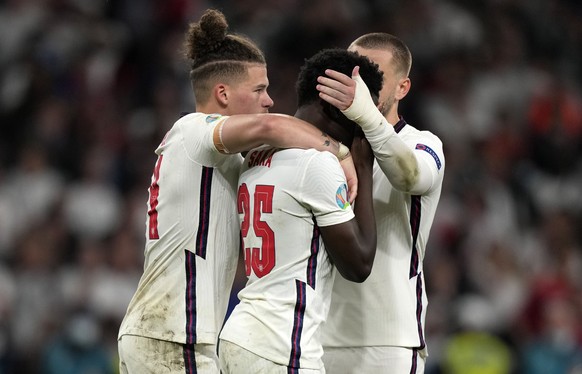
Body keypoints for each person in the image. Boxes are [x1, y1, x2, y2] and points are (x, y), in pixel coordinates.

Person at [117, 10, 355, 374]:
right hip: (172, 335)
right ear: (223, 93)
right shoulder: (192, 130)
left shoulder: (224, 158)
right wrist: (341, 151)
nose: (269, 100)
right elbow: (269, 125)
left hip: (172, 335)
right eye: (259, 89)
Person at [218, 48, 383, 373]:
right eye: (364, 110)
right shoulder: (319, 163)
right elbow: (359, 264)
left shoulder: (256, 154)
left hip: (243, 331)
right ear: (336, 108)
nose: (369, 124)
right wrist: (363, 165)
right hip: (282, 342)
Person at [316, 33, 445, 373]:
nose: (360, 86)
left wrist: (367, 117)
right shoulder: (320, 146)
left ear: (402, 88)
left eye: (374, 77)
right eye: (355, 74)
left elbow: (411, 176)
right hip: (317, 336)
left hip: (388, 341)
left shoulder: (422, 143)